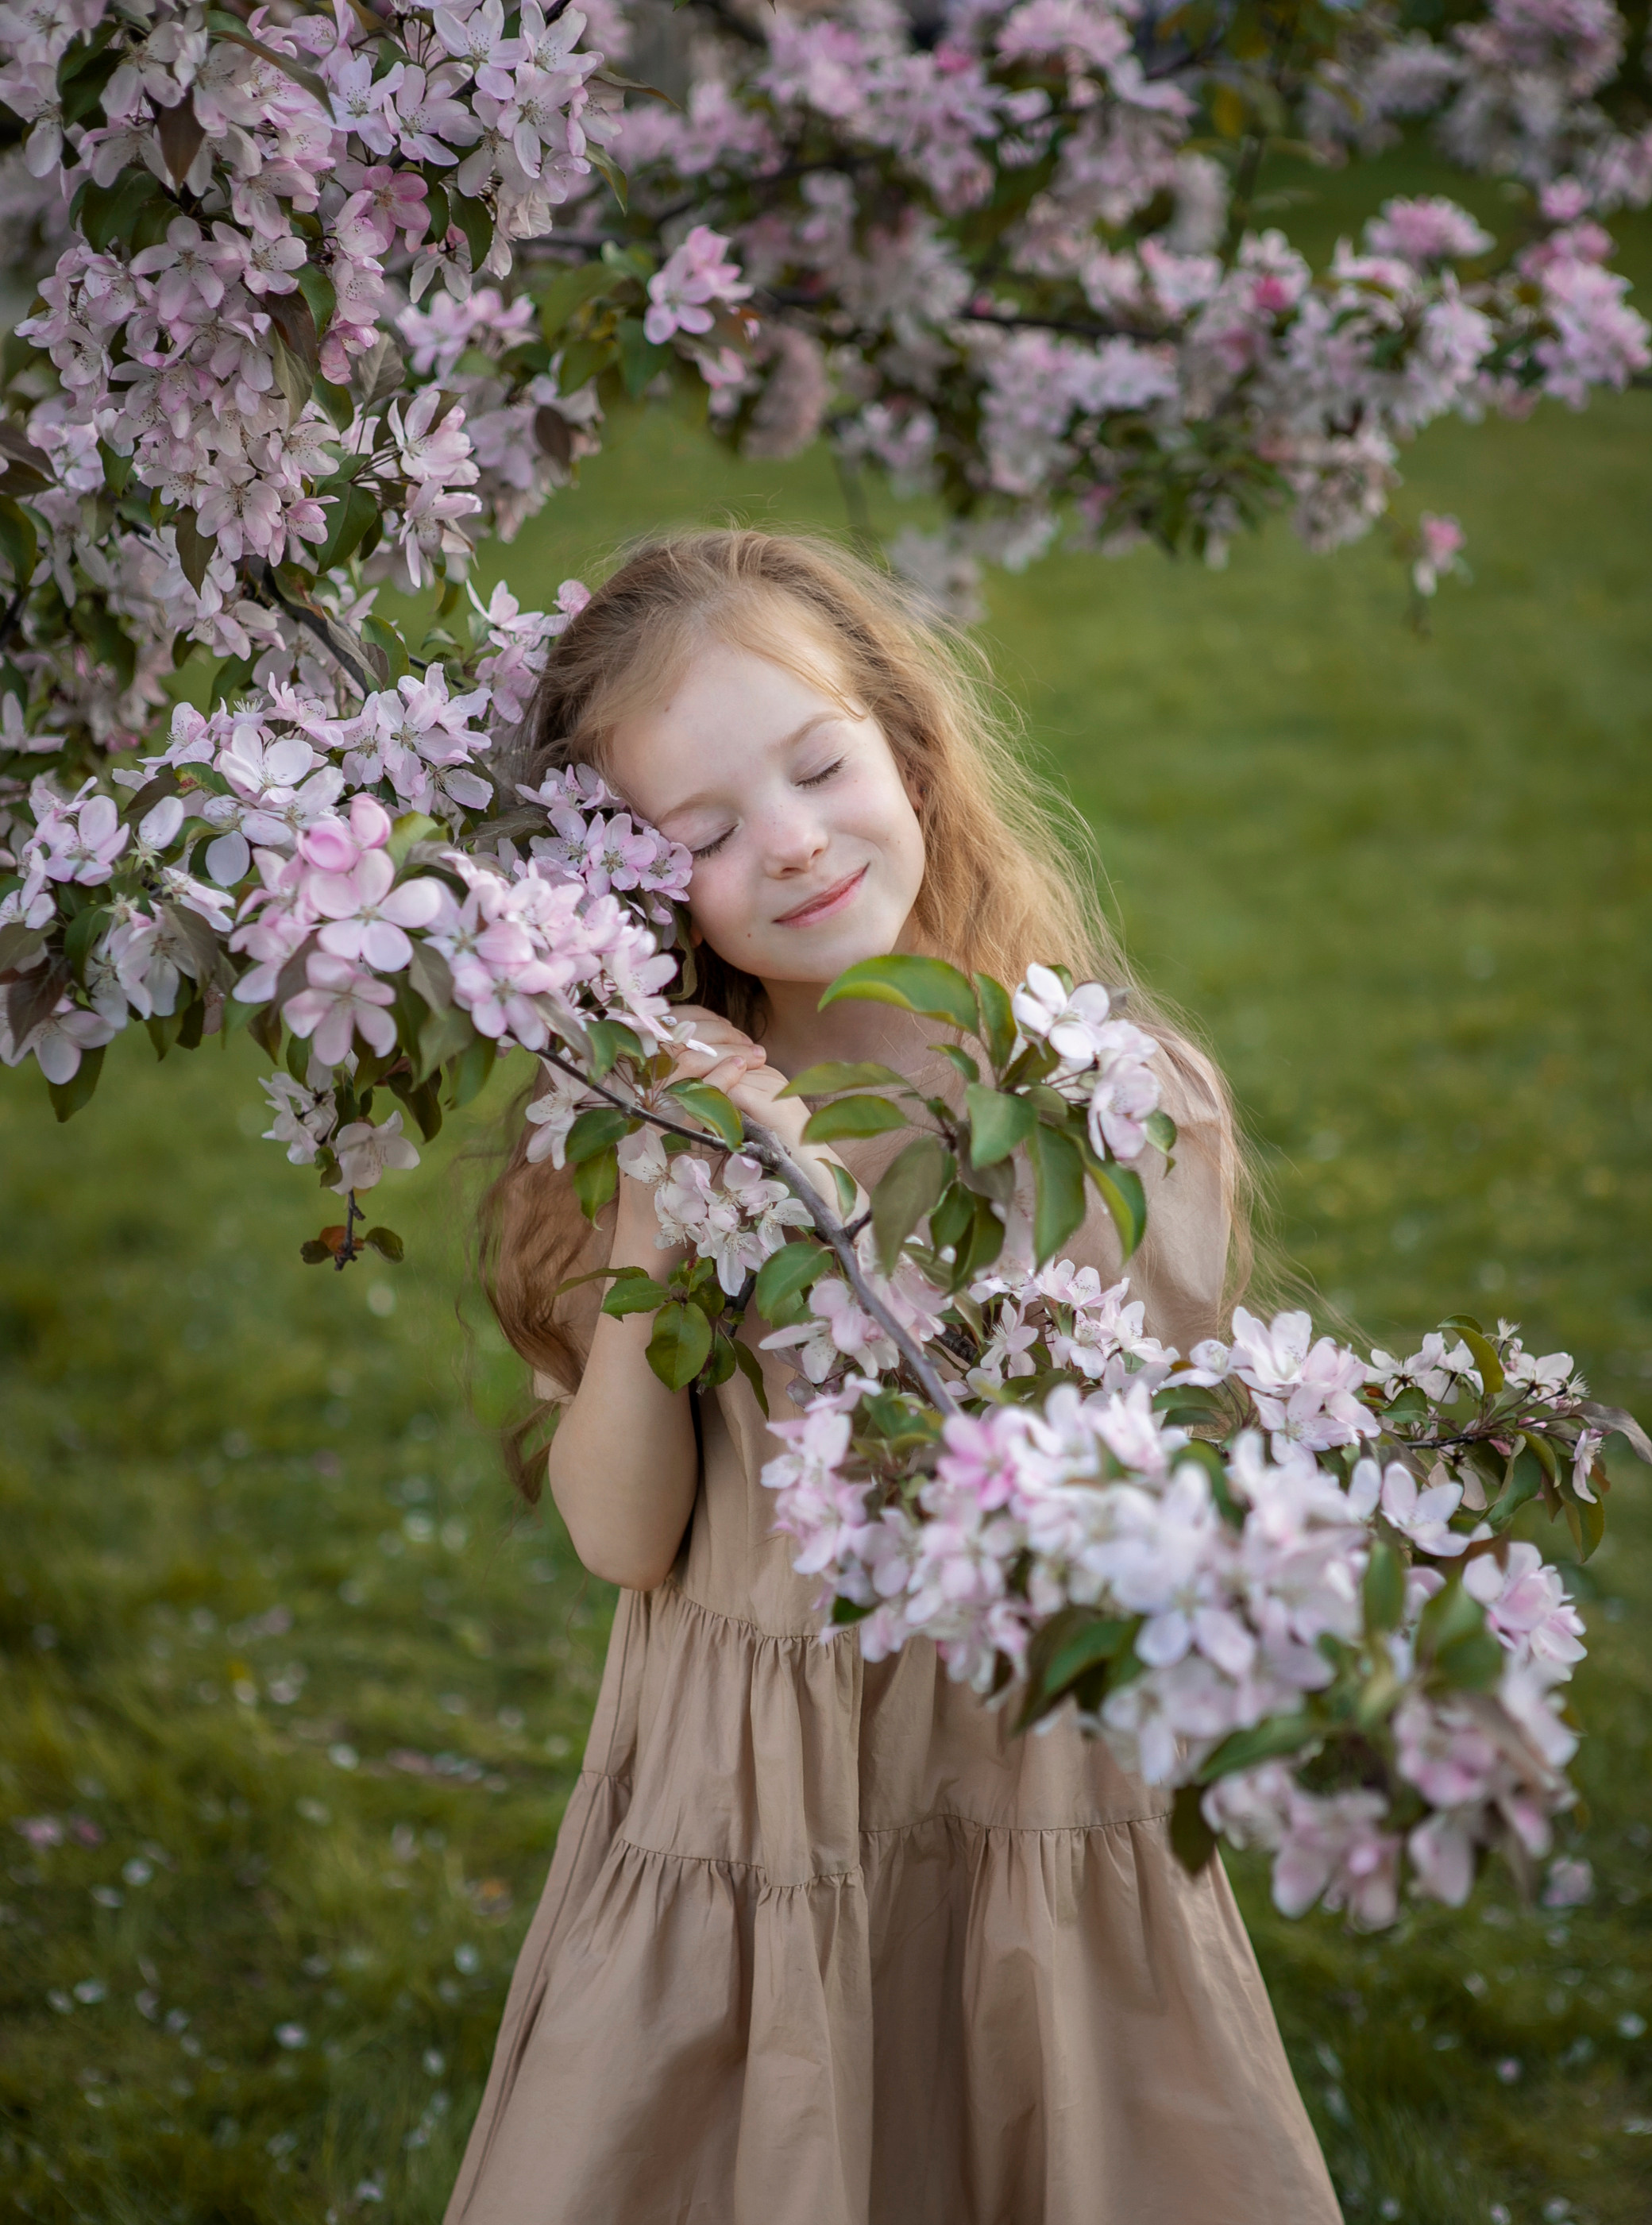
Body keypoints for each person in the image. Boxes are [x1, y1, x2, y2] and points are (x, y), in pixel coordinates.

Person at [447, 530, 1342, 2225]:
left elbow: (1178, 1500)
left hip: (1031, 1799)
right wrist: (666, 1183)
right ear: (620, 897)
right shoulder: (635, 1140)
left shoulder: (1124, 1111)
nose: (786, 844)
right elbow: (622, 1538)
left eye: (818, 766)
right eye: (698, 834)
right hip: (746, 1812)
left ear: (903, 747)